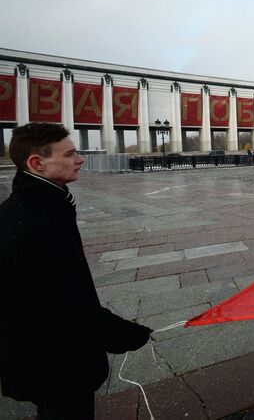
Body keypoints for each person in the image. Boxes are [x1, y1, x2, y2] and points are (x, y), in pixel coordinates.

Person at [0, 123, 152, 419]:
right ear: (37, 163)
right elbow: (70, 308)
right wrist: (129, 335)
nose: (80, 159)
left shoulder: (31, 207)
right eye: (70, 154)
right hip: (57, 361)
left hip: (38, 357)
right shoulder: (38, 223)